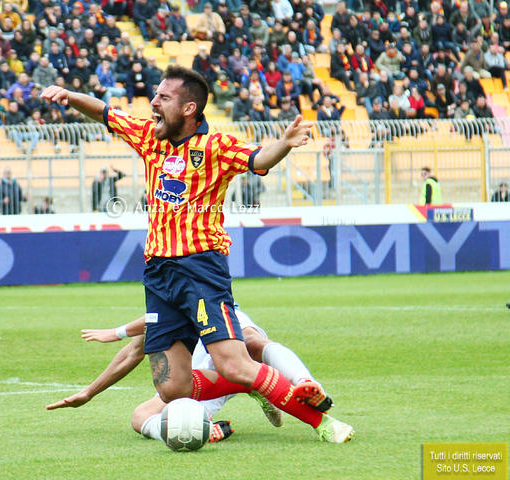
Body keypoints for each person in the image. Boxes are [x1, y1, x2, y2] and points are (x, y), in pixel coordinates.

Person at [41, 66, 348, 440]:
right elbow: (106, 112)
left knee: (234, 363)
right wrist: (69, 96)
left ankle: (323, 422)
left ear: (189, 108)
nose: (154, 102)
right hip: (158, 274)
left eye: (163, 97)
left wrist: (284, 143)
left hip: (200, 266)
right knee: (172, 388)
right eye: (155, 95)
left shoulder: (216, 146)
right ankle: (257, 387)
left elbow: (259, 159)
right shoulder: (149, 137)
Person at [46, 307, 354, 443]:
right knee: (140, 417)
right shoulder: (162, 308)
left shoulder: (197, 275)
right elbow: (133, 351)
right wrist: (88, 392)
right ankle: (211, 421)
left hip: (232, 348)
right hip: (202, 378)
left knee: (252, 341)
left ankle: (306, 384)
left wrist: (116, 331)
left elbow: (146, 325)